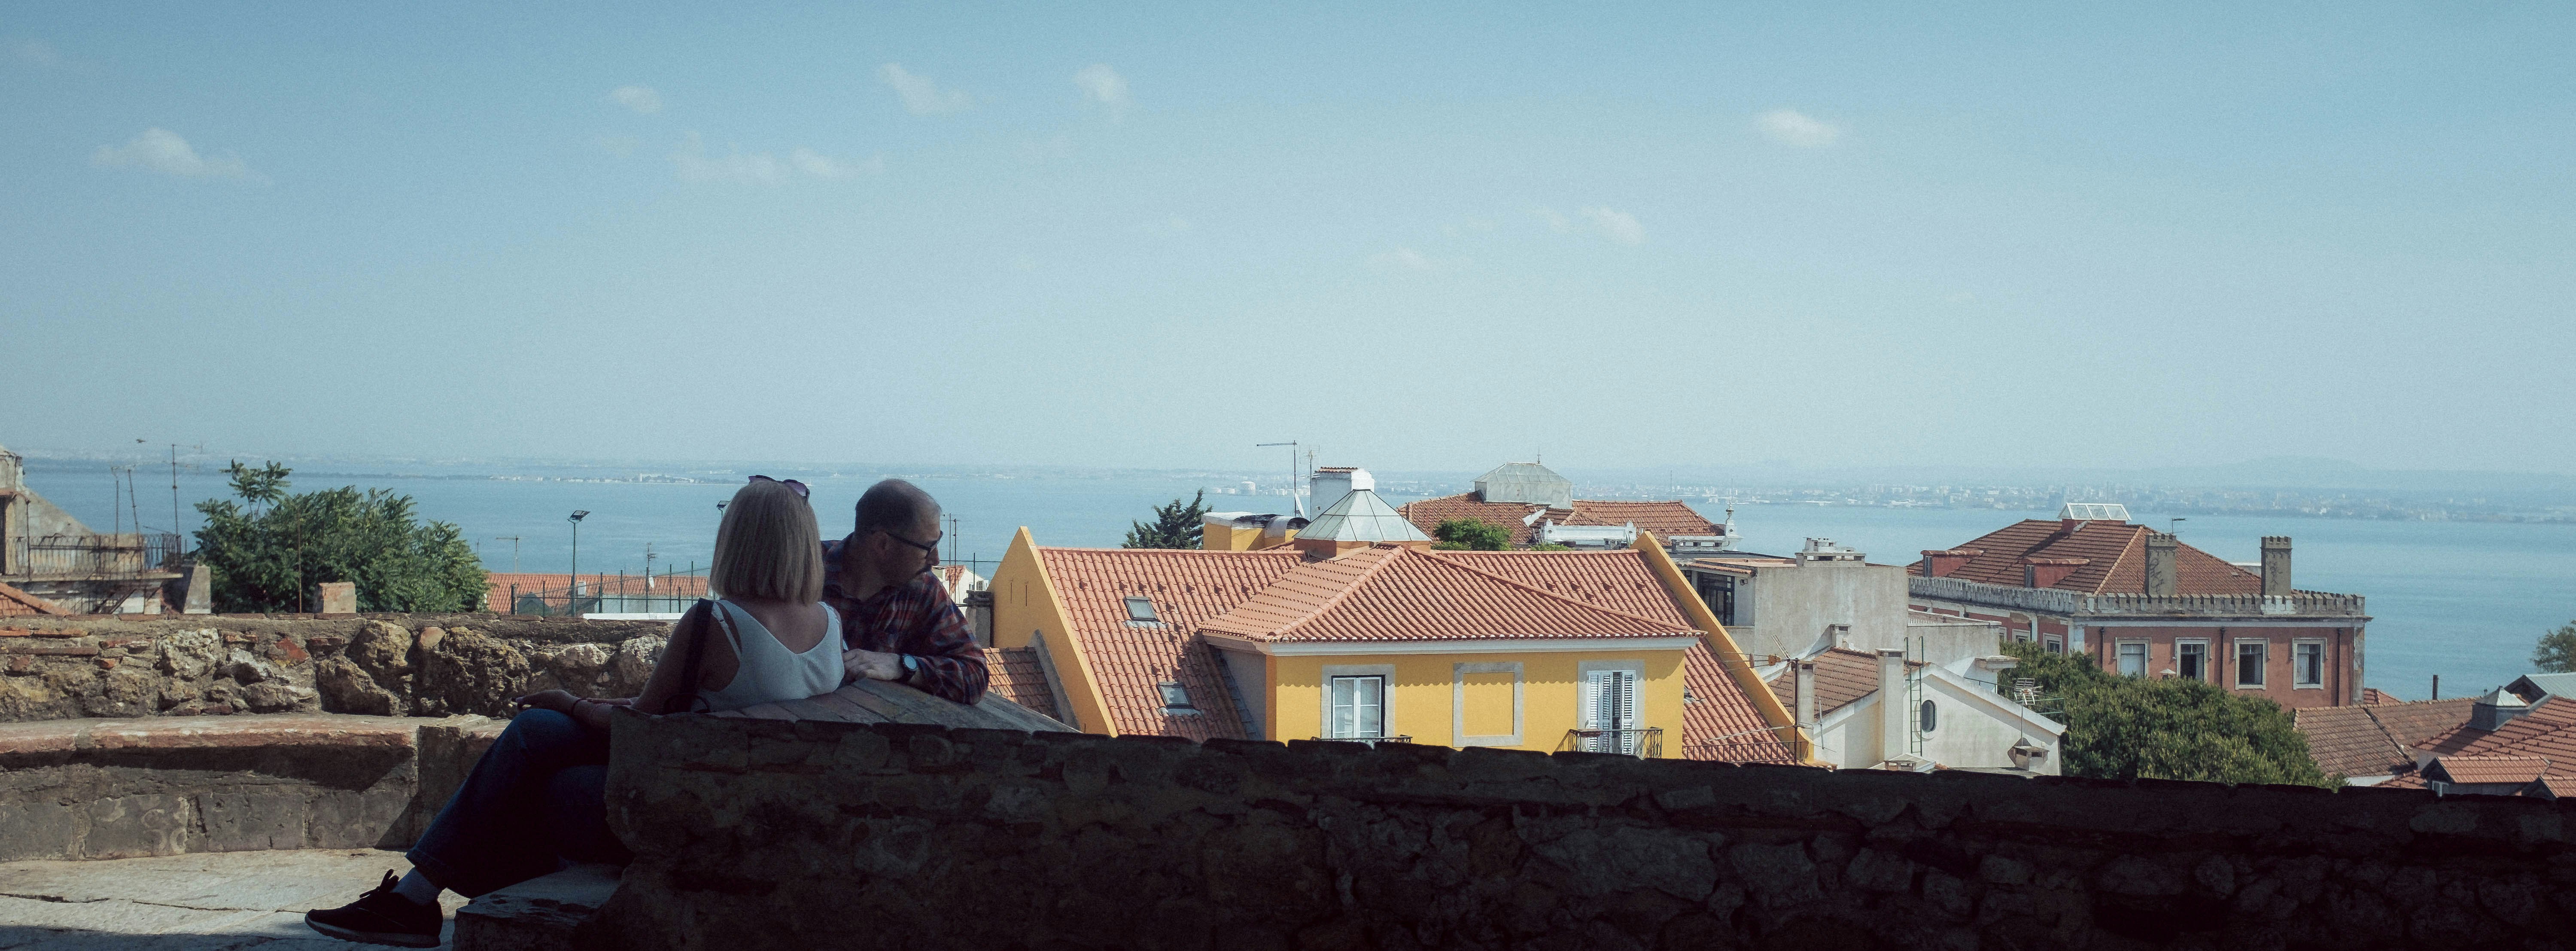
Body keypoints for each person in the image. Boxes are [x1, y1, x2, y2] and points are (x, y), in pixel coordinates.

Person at [304, 476, 843, 948]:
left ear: (738, 541)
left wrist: (572, 702)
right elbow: (694, 707)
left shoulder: (714, 623)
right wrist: (586, 709)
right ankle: (416, 897)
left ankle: (416, 898)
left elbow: (637, 726)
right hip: (747, 797)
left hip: (689, 812)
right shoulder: (828, 625)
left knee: (548, 778)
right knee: (537, 732)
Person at [823, 478, 988, 705]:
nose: (936, 559)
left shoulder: (922, 588)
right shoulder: (803, 573)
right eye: (928, 547)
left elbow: (975, 676)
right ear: (883, 544)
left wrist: (903, 666)